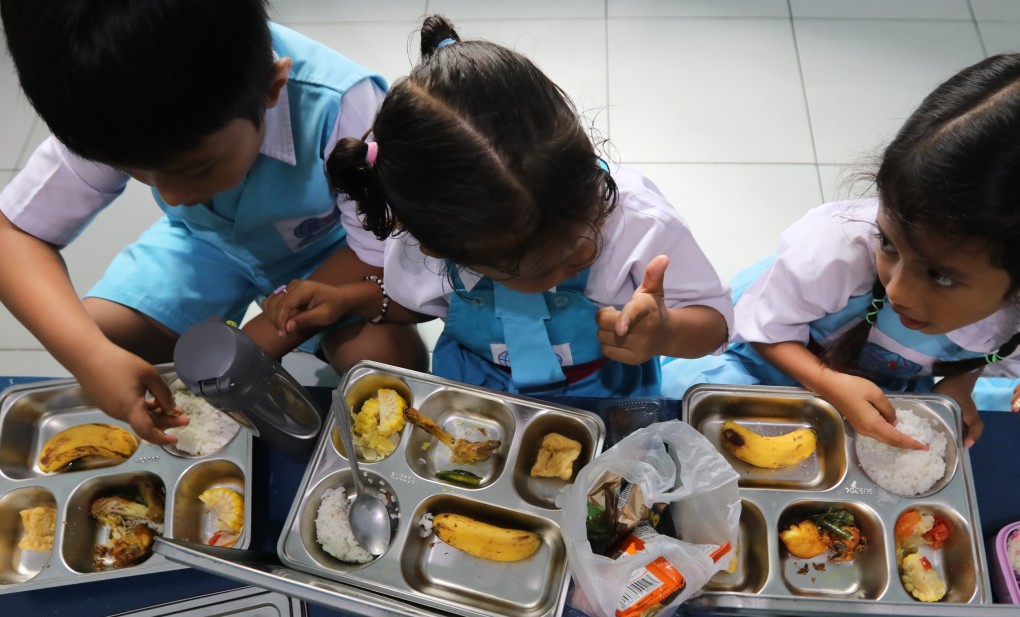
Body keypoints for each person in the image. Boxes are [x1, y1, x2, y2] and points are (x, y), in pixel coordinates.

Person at [0, 0, 426, 445]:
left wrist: (255, 342)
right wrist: (90, 357)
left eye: (195, 169)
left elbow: (382, 251)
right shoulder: (111, 106)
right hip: (208, 243)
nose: (170, 195)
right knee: (98, 333)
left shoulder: (345, 107)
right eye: (135, 171)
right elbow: (12, 234)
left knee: (388, 362)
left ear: (271, 88)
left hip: (334, 254)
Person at [262, 14, 733, 398]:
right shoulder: (426, 239)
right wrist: (347, 300)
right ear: (437, 249)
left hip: (607, 389)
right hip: (477, 390)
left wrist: (666, 333)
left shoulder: (641, 225)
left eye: (583, 229)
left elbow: (714, 323)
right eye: (549, 263)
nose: (583, 254)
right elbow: (418, 304)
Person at [662, 53, 1020, 449]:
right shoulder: (833, 249)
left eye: (941, 276)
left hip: (879, 386)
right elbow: (766, 331)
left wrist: (962, 381)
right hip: (776, 357)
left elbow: (993, 354)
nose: (898, 292)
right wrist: (827, 382)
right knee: (680, 402)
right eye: (888, 244)